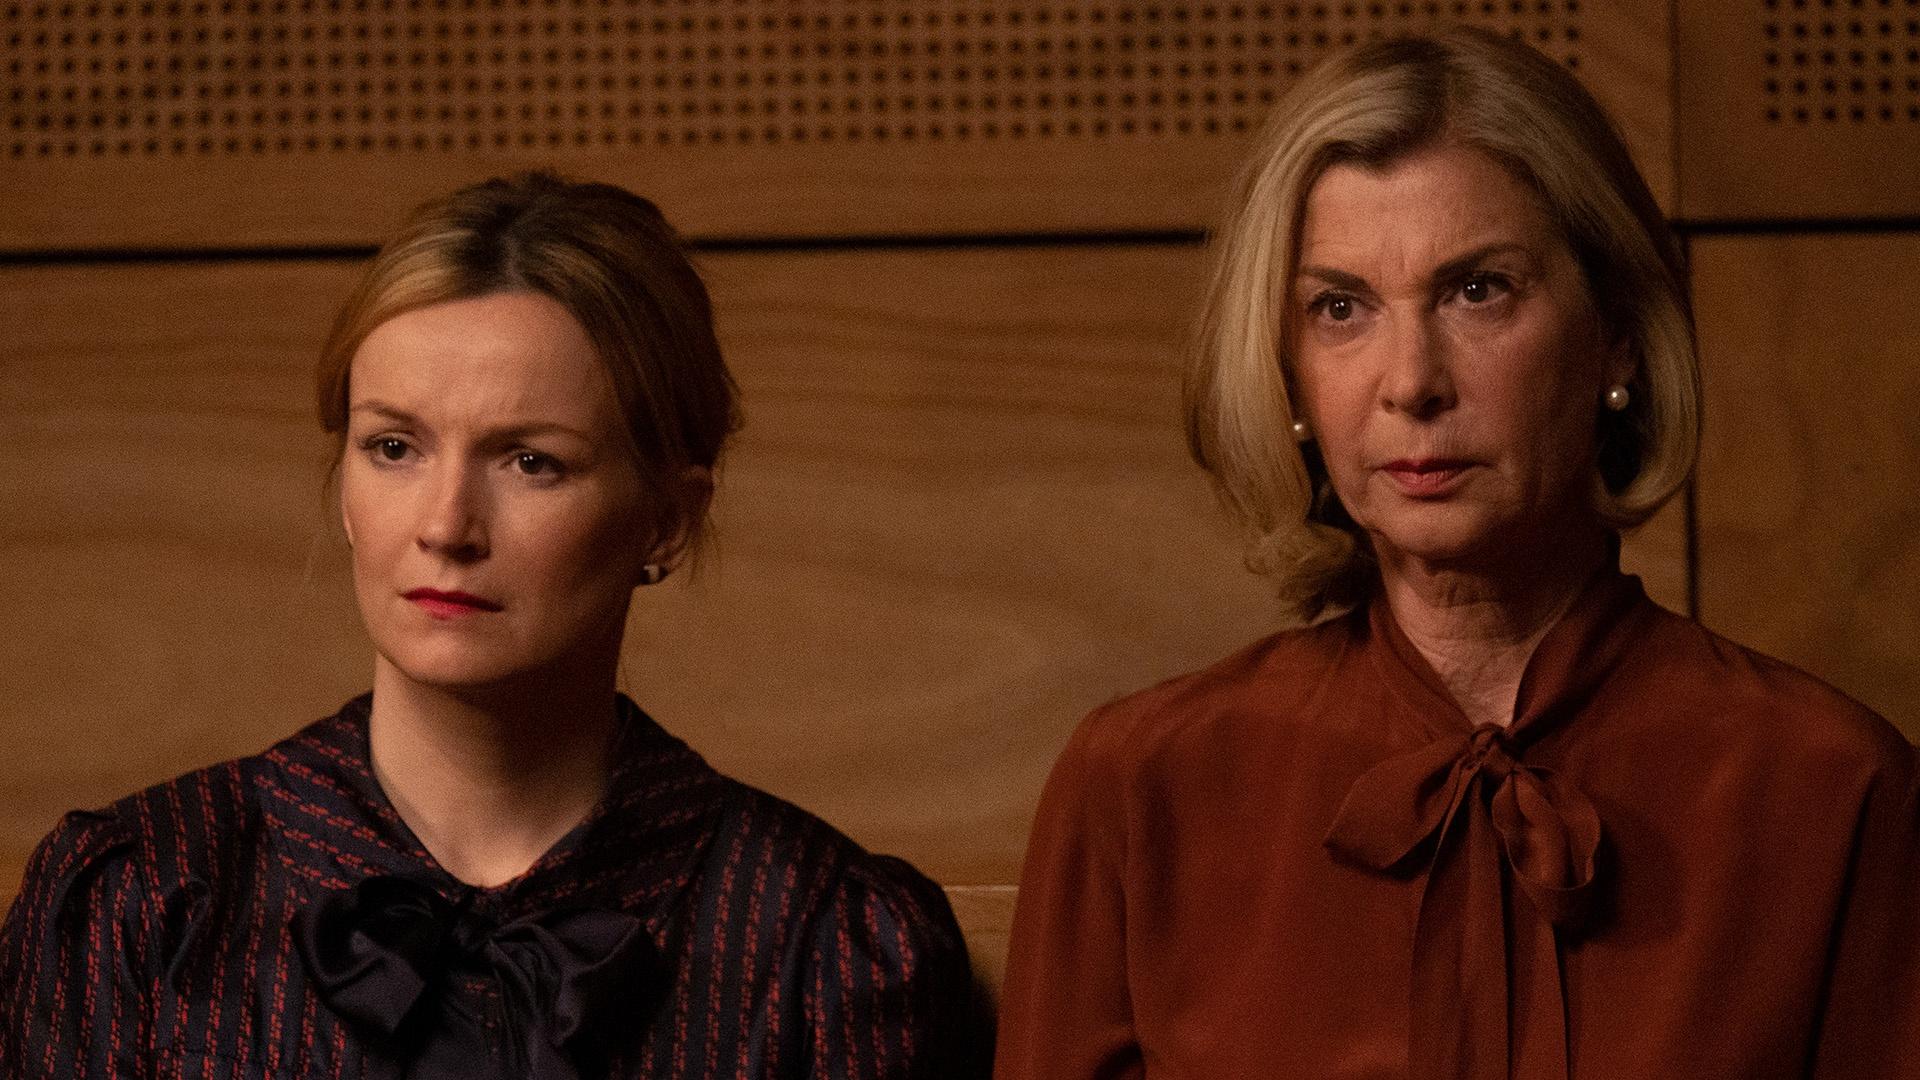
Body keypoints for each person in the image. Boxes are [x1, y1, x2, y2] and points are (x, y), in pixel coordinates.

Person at [995, 27, 1920, 1080]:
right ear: (1290, 375)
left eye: (1477, 290)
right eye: (1341, 309)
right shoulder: (1140, 786)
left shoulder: (1832, 789)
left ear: (1617, 336)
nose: (1411, 382)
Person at [0, 173, 980, 1079]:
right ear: (344, 489)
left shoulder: (823, 945)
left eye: (531, 462)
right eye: (394, 448)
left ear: (668, 521)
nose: (445, 527)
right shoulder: (146, 900)